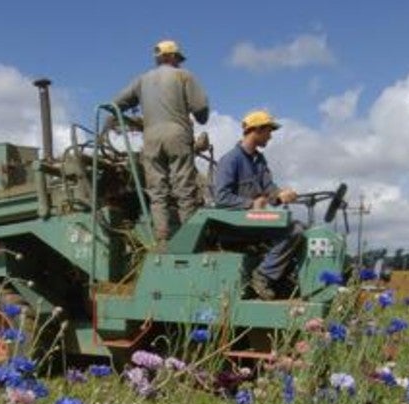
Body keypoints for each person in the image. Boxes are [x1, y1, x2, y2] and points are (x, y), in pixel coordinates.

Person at [113, 40, 210, 252]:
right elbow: (201, 107)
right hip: (177, 134)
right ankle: (190, 239)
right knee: (184, 187)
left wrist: (133, 116)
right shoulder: (184, 76)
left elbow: (116, 103)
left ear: (158, 58)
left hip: (151, 138)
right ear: (174, 57)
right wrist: (201, 117)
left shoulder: (142, 80)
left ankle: (162, 240)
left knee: (157, 191)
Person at [213, 110, 304, 300]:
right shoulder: (231, 160)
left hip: (254, 223)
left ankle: (280, 280)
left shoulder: (259, 160)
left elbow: (269, 191)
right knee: (293, 230)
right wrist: (250, 204)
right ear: (257, 130)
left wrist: (281, 195)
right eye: (269, 131)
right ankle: (263, 276)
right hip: (235, 227)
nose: (270, 136)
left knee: (299, 228)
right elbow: (221, 197)